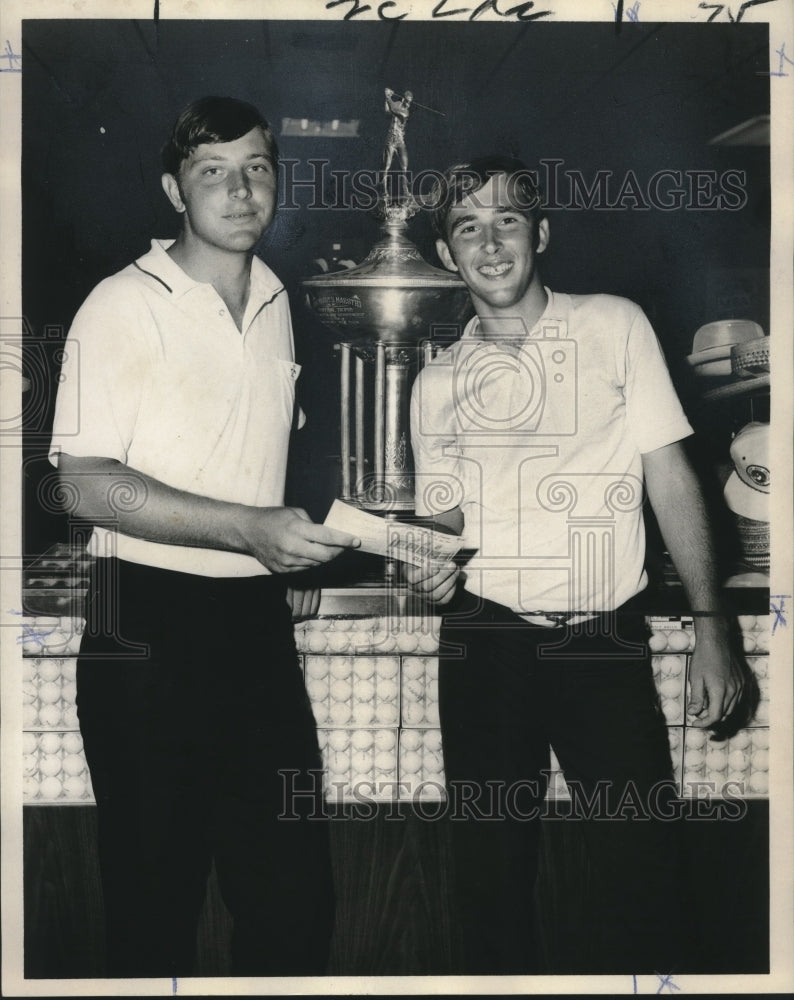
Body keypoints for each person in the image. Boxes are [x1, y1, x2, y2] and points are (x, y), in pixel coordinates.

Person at [405, 156, 746, 974]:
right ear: (448, 255)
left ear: (542, 233)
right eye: (466, 228)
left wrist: (713, 627)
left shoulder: (614, 325)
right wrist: (425, 560)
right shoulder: (435, 384)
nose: (489, 244)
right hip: (483, 644)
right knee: (489, 890)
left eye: (507, 221)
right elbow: (442, 518)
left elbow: (671, 475)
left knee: (647, 880)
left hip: (604, 643)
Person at [48, 96, 360, 978]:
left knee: (294, 903)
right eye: (212, 170)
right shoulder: (120, 303)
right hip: (143, 622)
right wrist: (247, 530)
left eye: (256, 167)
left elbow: (258, 448)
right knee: (154, 908)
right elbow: (84, 484)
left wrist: (281, 546)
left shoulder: (276, 296)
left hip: (253, 628)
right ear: (172, 189)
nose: (239, 188)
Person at [381, 87, 413, 199]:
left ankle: (405, 190)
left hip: (400, 140)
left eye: (410, 102)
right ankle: (384, 190)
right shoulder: (397, 104)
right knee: (386, 166)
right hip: (391, 139)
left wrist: (388, 97)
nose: (409, 104)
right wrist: (386, 100)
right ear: (404, 99)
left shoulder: (405, 111)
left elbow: (394, 110)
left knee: (404, 165)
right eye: (408, 101)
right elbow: (387, 112)